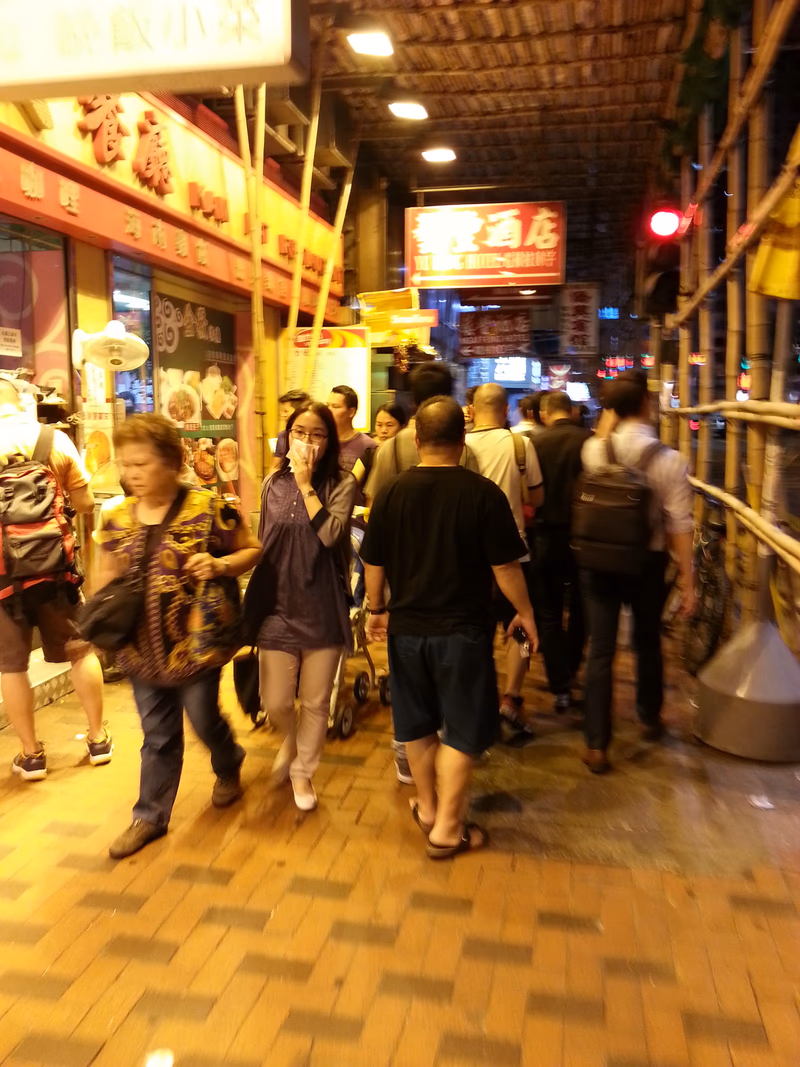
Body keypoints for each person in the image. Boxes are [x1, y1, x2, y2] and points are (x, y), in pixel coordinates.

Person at [362, 396, 538, 859]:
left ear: (416, 439)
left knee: (417, 725)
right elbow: (506, 568)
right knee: (461, 732)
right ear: (463, 441)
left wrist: (377, 608)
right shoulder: (483, 494)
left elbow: (373, 561)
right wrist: (525, 612)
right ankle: (447, 828)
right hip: (462, 632)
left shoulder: (390, 494)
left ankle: (428, 809)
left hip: (406, 630)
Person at [95, 415, 261, 858]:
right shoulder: (113, 516)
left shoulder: (212, 507)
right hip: (139, 651)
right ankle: (149, 816)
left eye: (141, 464)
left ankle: (228, 762)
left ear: (171, 461)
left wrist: (220, 564)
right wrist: (96, 624)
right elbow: (104, 578)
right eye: (125, 465)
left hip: (196, 648)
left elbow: (252, 550)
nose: (130, 474)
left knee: (204, 720)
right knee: (158, 735)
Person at [364, 363, 479, 785]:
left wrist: (376, 602)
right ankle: (451, 753)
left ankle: (407, 756)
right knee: (453, 677)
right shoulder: (463, 450)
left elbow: (375, 510)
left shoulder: (392, 448)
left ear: (411, 398)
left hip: (402, 578)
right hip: (454, 583)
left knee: (409, 676)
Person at [580, 371, 695, 774]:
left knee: (601, 650)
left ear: (610, 409)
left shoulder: (593, 450)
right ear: (647, 405)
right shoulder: (669, 459)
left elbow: (601, 434)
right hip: (647, 564)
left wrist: (608, 419)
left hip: (599, 563)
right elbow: (680, 525)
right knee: (647, 642)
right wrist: (688, 580)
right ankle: (648, 716)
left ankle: (596, 743)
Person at [0, 378, 111, 782]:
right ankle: (98, 740)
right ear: (23, 402)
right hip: (54, 571)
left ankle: (31, 756)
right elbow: (83, 502)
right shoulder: (52, 439)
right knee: (80, 650)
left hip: (2, 579)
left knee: (11, 666)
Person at [251, 401, 357, 811]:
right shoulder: (271, 483)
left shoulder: (341, 484)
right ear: (287, 435)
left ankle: (303, 772)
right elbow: (263, 540)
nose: (306, 441)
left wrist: (308, 483)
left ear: (329, 441)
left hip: (323, 602)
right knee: (275, 700)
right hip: (277, 601)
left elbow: (330, 534)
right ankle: (291, 743)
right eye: (299, 432)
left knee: (315, 701)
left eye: (316, 434)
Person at [466, 383, 544, 729]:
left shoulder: (460, 444)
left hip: (470, 557)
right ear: (505, 410)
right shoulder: (520, 445)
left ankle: (478, 700)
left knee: (475, 629)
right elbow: (537, 499)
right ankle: (511, 696)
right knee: (521, 627)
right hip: (514, 555)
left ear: (472, 409)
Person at [530, 390, 591, 713]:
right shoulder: (589, 442)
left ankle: (559, 684)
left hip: (545, 536)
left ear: (543, 414)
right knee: (582, 608)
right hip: (582, 538)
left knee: (549, 612)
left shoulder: (534, 444)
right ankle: (571, 665)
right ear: (573, 412)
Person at [326, 385, 377, 488]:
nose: (328, 410)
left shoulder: (368, 446)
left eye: (335, 407)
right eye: (327, 406)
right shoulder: (323, 440)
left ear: (351, 412)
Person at [274, 390, 310, 463]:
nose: (282, 415)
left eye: (286, 411)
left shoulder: (312, 436)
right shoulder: (282, 435)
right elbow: (275, 466)